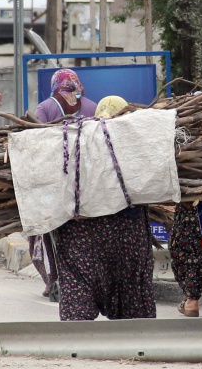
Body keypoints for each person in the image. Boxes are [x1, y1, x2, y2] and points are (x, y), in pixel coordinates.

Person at [50, 95, 157, 321]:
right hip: (126, 240)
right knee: (131, 299)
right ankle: (135, 333)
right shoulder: (137, 145)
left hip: (80, 240)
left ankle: (78, 331)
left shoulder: (74, 140)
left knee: (78, 291)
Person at [30, 68, 97, 298]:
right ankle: (83, 280)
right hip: (86, 187)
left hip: (53, 185)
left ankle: (54, 281)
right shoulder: (92, 107)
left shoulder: (45, 108)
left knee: (48, 233)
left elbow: (34, 142)